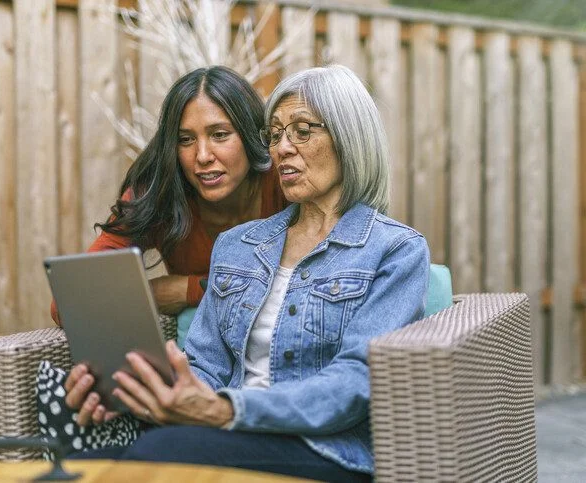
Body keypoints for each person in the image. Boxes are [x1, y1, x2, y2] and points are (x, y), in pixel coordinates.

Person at [58, 65, 430, 481]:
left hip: (328, 450)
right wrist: (144, 392)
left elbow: (354, 382)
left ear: (349, 137)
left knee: (159, 453)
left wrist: (226, 409)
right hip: (228, 434)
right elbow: (205, 364)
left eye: (302, 131)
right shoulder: (239, 245)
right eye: (275, 135)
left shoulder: (396, 250)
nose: (282, 148)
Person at [50, 66, 287, 332]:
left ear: (251, 134)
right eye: (186, 140)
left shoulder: (284, 181)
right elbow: (67, 305)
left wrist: (182, 289)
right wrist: (188, 292)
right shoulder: (160, 192)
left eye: (220, 135)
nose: (203, 156)